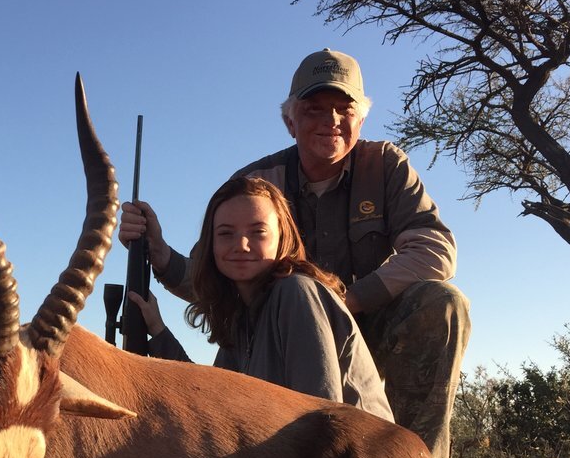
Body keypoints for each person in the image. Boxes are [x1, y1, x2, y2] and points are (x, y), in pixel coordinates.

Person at [121, 48, 468, 458]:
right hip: (277, 331)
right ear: (290, 120)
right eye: (314, 109)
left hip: (358, 318)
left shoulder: (386, 165)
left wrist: (345, 302)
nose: (331, 120)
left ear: (362, 119)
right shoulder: (258, 182)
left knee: (442, 304)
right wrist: (158, 253)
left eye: (345, 109)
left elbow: (436, 250)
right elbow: (215, 275)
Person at [128, 176, 394, 422]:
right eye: (225, 233)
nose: (241, 245)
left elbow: (320, 421)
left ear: (283, 238)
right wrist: (158, 330)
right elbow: (211, 401)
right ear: (211, 245)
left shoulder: (297, 293)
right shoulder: (240, 317)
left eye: (258, 232)